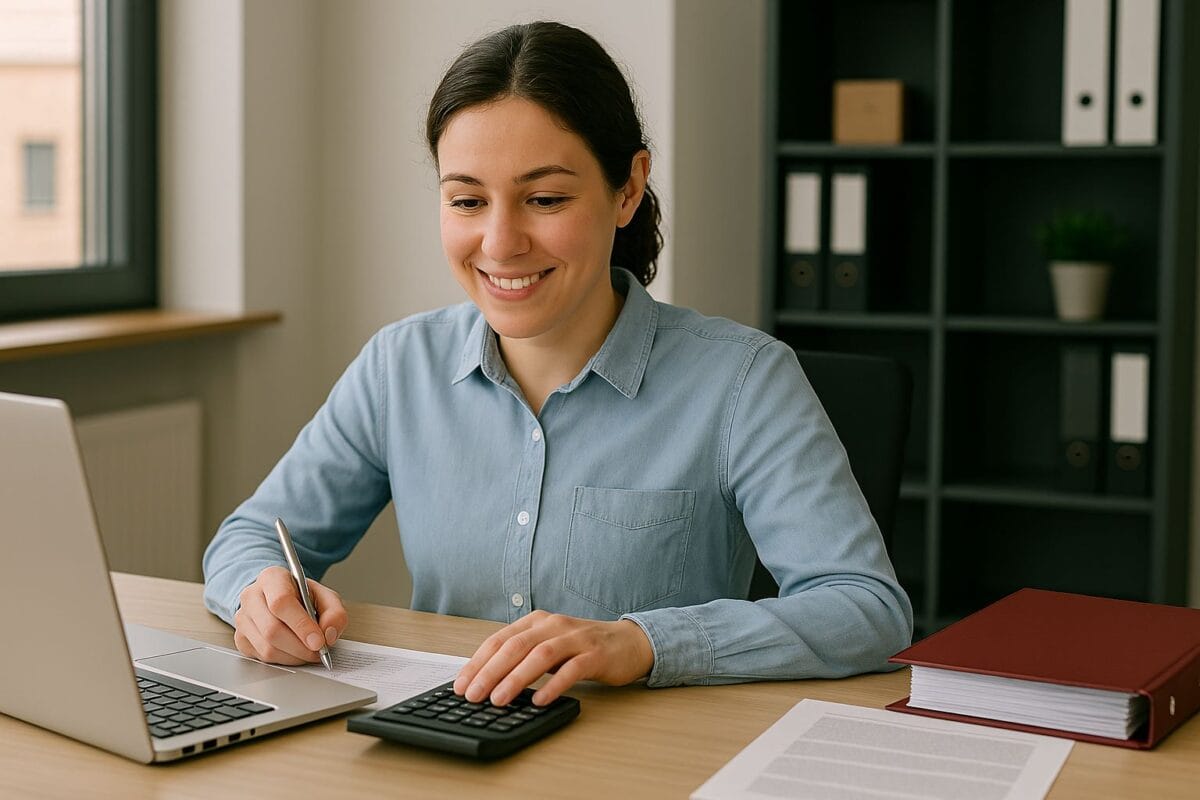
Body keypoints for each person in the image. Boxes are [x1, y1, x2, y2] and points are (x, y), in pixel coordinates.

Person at [202, 20, 912, 709]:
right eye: (467, 200)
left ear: (628, 188)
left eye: (545, 199)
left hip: (645, 765)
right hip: (449, 742)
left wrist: (643, 643)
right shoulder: (399, 367)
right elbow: (250, 538)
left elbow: (865, 607)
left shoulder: (744, 382)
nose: (501, 242)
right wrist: (258, 593)